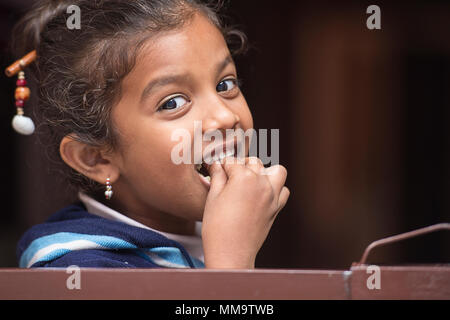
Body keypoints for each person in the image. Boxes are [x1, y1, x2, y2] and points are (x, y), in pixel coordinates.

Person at [12, 0, 289, 269]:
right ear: (96, 158)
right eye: (172, 103)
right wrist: (231, 262)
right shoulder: (79, 271)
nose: (226, 117)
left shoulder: (211, 235)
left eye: (225, 84)